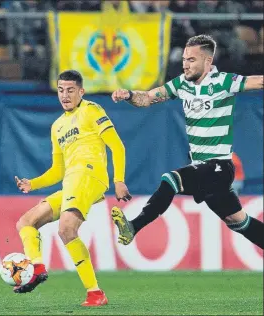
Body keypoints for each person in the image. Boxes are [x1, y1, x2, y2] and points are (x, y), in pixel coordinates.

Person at [110, 34, 264, 250]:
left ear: (208, 62)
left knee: (171, 179)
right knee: (237, 221)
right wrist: (128, 94)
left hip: (219, 166)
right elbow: (147, 98)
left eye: (191, 60)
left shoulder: (224, 82)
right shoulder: (182, 84)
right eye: (184, 59)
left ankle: (134, 226)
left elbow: (258, 81)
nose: (185, 64)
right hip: (203, 168)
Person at [15, 70, 131, 306]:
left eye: (70, 90)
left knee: (66, 228)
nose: (65, 95)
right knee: (26, 222)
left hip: (89, 174)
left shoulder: (92, 110)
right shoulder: (57, 126)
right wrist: (33, 183)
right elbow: (58, 170)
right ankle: (39, 268)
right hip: (71, 181)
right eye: (60, 90)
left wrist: (119, 180)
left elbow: (117, 146)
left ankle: (94, 292)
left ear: (81, 91)